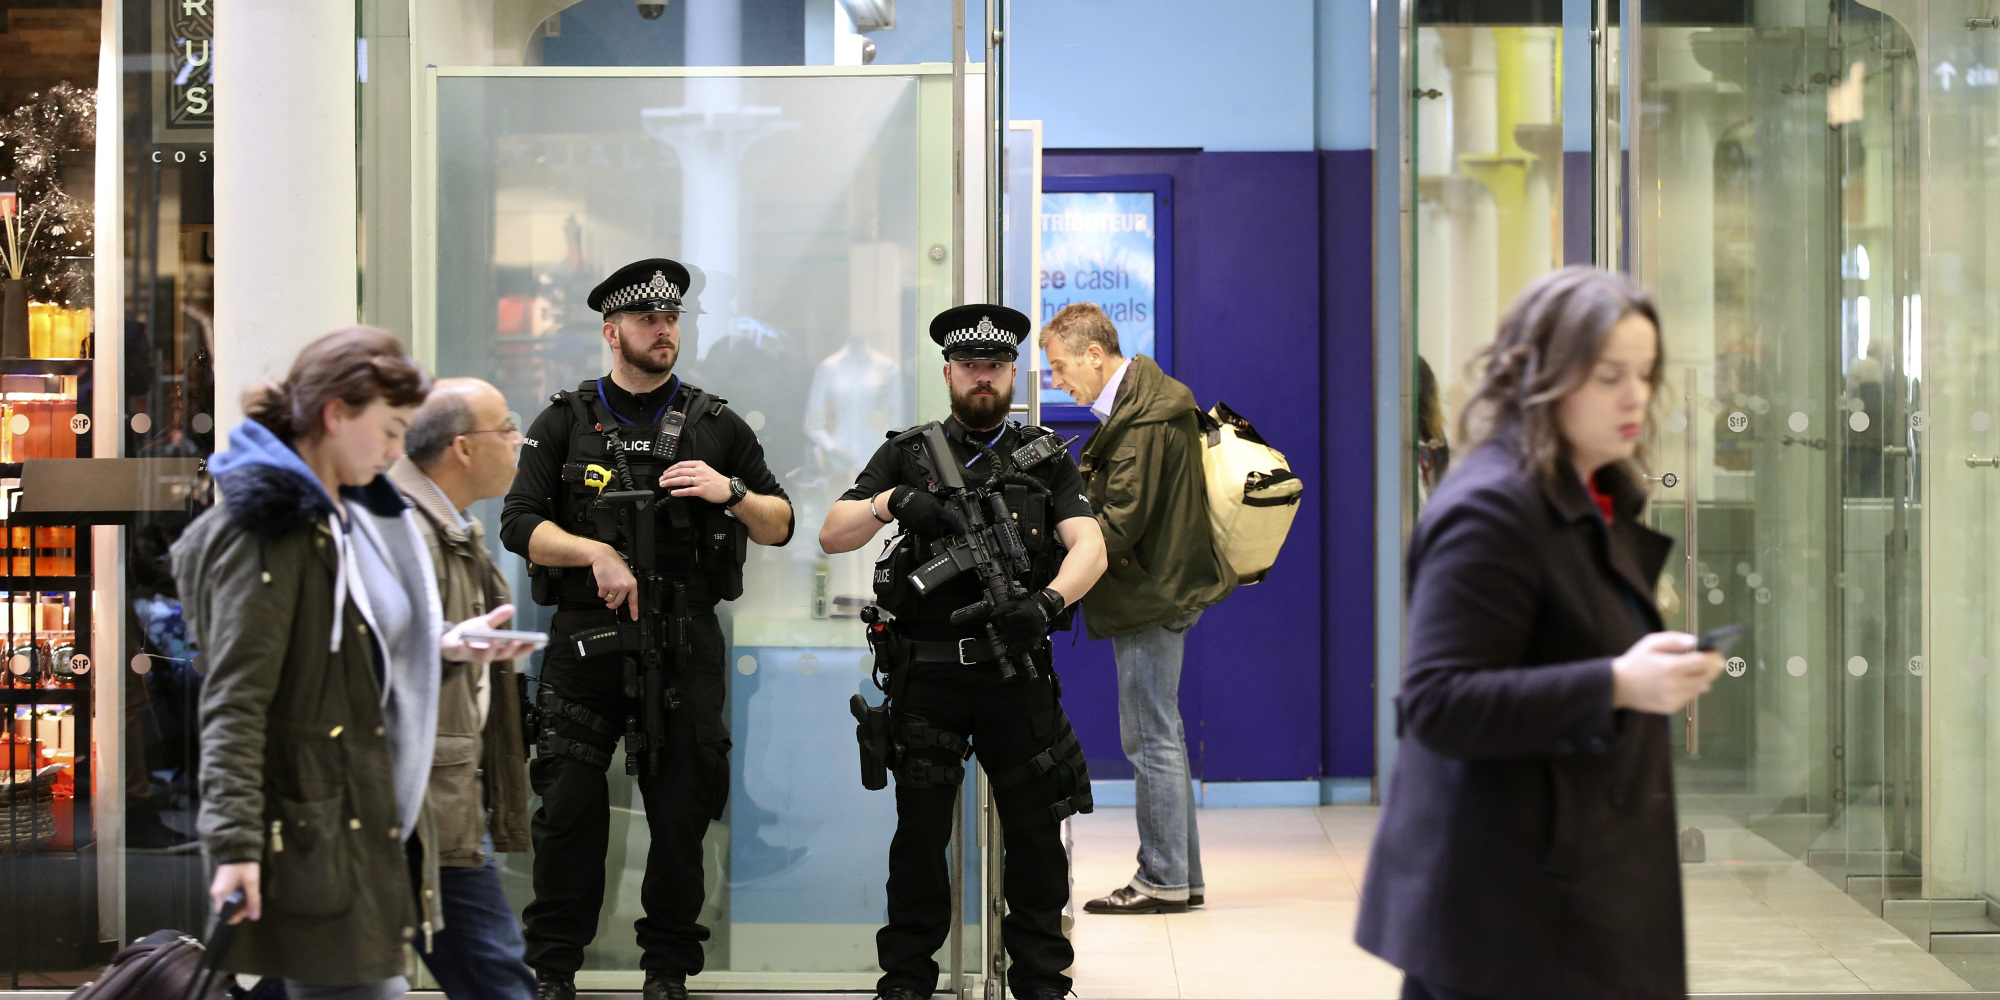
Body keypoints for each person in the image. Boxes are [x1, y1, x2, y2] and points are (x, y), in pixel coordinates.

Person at [1354, 267, 1726, 1000]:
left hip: (1558, 884)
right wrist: (1619, 682)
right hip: (1506, 910)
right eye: (1608, 374)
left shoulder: (1587, 488)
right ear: (1542, 375)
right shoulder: (1492, 509)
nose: (1634, 397)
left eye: (1646, 374)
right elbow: (1438, 702)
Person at [176, 327, 535, 1000]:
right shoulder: (275, 531)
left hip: (367, 819)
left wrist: (447, 646)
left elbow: (348, 651)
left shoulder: (356, 513)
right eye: (391, 430)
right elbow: (236, 700)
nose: (400, 451)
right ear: (336, 414)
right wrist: (233, 845)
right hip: (320, 828)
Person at [500, 258, 795, 1000]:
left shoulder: (715, 423)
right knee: (567, 810)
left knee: (680, 815)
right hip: (585, 643)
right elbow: (519, 524)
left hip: (684, 641)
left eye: (672, 320)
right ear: (612, 332)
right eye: (648, 320)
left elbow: (782, 524)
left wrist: (731, 493)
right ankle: (554, 968)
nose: (664, 331)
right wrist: (593, 551)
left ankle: (667, 970)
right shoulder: (563, 421)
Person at [819, 303, 1108, 1000]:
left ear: (1014, 374)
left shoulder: (1041, 456)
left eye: (997, 366)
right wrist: (890, 502)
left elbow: (1090, 545)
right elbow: (833, 533)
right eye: (971, 366)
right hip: (929, 678)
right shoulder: (907, 454)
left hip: (1018, 675)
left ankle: (1041, 982)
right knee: (919, 840)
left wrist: (1048, 602)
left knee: (1037, 840)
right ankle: (907, 981)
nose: (984, 378)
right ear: (949, 372)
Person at [1037, 301, 1234, 915]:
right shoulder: (1144, 405)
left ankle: (1161, 879)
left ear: (1096, 355)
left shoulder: (1144, 419)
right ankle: (1182, 875)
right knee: (1162, 735)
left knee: (1149, 740)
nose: (1057, 381)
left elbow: (1120, 520)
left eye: (1060, 367)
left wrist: (1052, 540)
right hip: (1162, 587)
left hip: (1154, 593)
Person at [388, 378, 537, 1000]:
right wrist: (445, 643)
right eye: (505, 428)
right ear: (463, 449)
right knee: (496, 977)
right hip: (421, 801)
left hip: (434, 792)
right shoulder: (408, 534)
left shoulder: (445, 528)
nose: (518, 440)